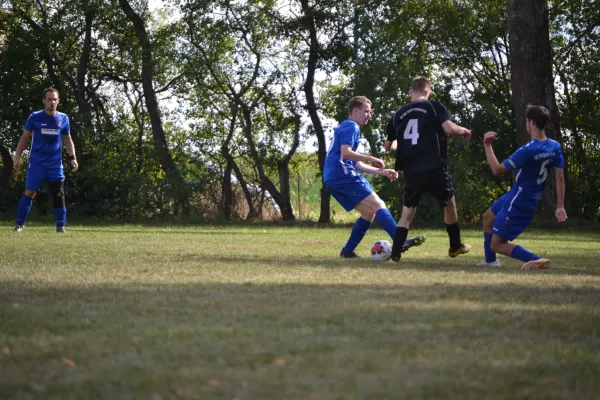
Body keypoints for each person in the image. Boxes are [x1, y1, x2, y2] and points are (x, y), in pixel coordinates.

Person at [324, 95, 425, 258]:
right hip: (342, 175)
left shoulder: (347, 126)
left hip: (334, 177)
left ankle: (347, 251)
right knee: (378, 204)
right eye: (366, 111)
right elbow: (346, 153)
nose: (369, 115)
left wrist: (382, 172)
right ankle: (400, 241)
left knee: (369, 213)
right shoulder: (351, 126)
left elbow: (355, 163)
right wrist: (372, 158)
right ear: (355, 111)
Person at [384, 76, 472, 262]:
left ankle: (396, 252)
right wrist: (463, 130)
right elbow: (449, 128)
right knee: (449, 203)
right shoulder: (433, 106)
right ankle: (455, 246)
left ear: (410, 92)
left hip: (411, 170)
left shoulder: (398, 114)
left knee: (407, 212)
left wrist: (407, 146)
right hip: (434, 167)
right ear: (427, 91)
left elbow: (388, 145)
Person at [479, 104, 566, 269]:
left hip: (518, 200)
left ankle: (536, 259)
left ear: (531, 123)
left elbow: (497, 170)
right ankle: (490, 262)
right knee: (488, 217)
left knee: (496, 244)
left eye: (527, 121)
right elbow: (559, 176)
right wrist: (560, 206)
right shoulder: (555, 146)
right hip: (521, 196)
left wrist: (487, 145)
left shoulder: (527, 150)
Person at [13, 88, 78, 233]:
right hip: (37, 163)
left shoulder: (63, 119)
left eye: (55, 99)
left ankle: (61, 227)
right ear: (44, 101)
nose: (52, 102)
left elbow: (67, 140)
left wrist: (73, 158)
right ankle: (19, 225)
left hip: (55, 164)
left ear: (58, 101)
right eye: (49, 99)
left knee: (58, 194)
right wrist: (17, 157)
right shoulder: (34, 117)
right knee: (30, 192)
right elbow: (24, 138)